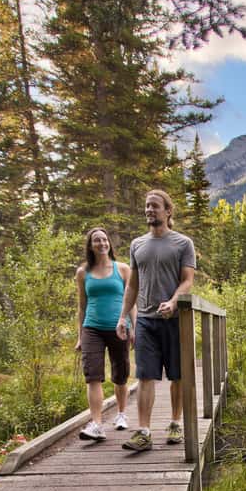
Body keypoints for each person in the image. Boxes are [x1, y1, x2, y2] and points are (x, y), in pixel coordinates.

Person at [116, 189, 196, 452]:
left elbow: (187, 280)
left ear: (168, 211)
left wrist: (173, 301)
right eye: (147, 206)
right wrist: (123, 317)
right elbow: (132, 286)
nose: (149, 210)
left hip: (175, 320)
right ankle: (144, 432)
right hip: (146, 320)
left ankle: (175, 422)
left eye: (155, 206)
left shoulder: (183, 243)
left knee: (177, 375)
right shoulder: (137, 244)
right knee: (145, 375)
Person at [75, 227, 136, 441]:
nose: (101, 243)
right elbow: (82, 307)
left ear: (109, 243)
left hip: (119, 327)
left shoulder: (123, 269)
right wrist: (79, 335)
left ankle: (121, 414)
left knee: (120, 375)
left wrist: (134, 328)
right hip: (92, 328)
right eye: (96, 240)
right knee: (93, 376)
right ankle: (97, 424)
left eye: (104, 239)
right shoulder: (83, 272)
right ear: (90, 246)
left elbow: (131, 302)